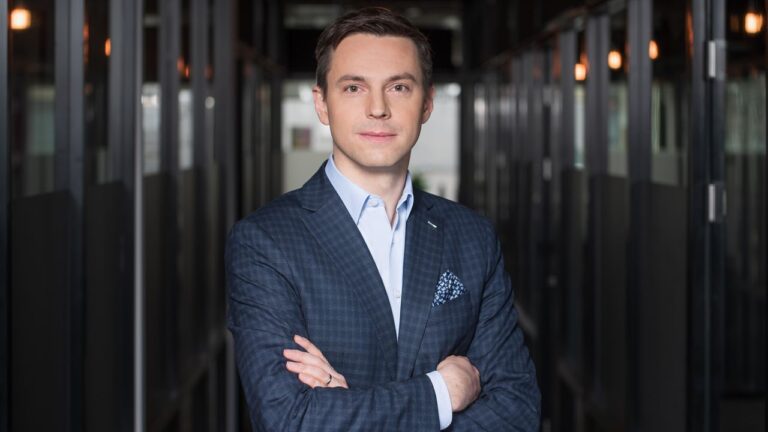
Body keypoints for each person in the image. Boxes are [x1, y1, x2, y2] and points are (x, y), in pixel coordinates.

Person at [226, 7, 540, 431]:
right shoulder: (265, 241)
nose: (378, 108)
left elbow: (517, 413)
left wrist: (345, 408)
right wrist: (442, 393)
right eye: (354, 87)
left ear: (427, 103)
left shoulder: (473, 237)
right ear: (322, 103)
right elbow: (290, 419)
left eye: (399, 87)